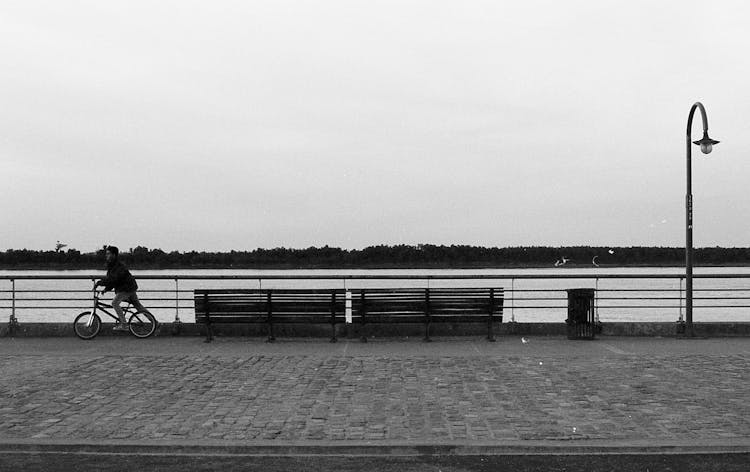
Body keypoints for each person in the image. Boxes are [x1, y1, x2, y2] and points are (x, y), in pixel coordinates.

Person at [94, 246, 153, 331]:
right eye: (106, 254)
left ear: (114, 255)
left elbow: (114, 279)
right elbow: (113, 280)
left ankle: (124, 325)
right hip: (129, 287)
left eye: (108, 254)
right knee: (138, 306)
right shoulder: (112, 265)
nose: (106, 256)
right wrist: (106, 289)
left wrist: (99, 283)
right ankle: (155, 322)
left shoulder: (118, 266)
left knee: (115, 303)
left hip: (126, 289)